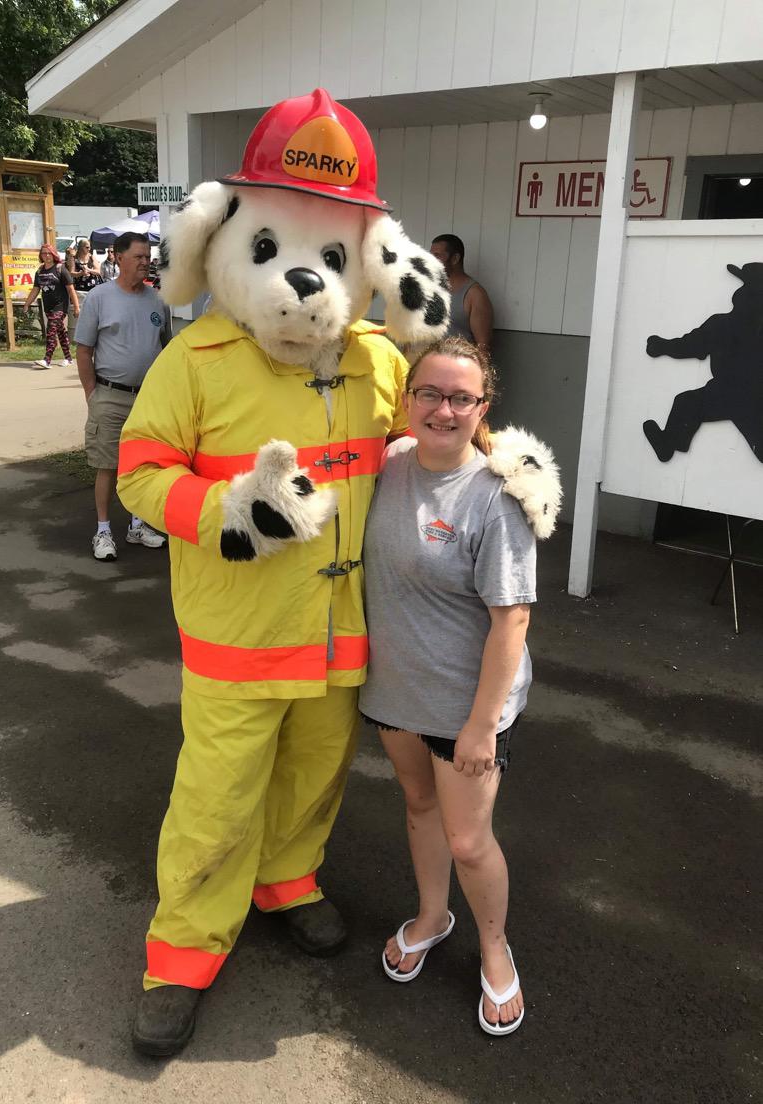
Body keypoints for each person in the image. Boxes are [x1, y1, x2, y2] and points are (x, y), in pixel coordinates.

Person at [359, 335, 535, 1036]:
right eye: (429, 392)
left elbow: (512, 619)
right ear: (407, 401)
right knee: (418, 803)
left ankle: (495, 946)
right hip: (394, 688)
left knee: (469, 839)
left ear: (481, 407)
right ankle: (434, 917)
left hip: (467, 704)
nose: (444, 408)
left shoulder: (497, 497)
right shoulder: (392, 463)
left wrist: (482, 724)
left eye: (461, 397)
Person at [75, 231, 169, 561]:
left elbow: (166, 346)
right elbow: (84, 351)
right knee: (107, 466)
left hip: (148, 399)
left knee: (143, 464)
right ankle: (103, 531)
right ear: (119, 257)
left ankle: (138, 525)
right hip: (110, 396)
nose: (146, 262)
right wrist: (92, 394)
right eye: (139, 257)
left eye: (148, 257)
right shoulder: (100, 297)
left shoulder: (157, 299)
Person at [429, 234, 494, 353]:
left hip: (457, 367)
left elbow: (483, 347)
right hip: (428, 366)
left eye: (437, 256)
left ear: (455, 259)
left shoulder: (474, 295)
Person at [21, 244, 79, 370]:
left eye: (49, 253)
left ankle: (47, 360)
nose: (46, 255)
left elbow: (71, 289)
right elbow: (35, 290)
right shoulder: (40, 271)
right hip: (48, 307)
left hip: (60, 307)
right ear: (40, 255)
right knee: (61, 332)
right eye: (44, 253)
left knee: (51, 330)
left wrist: (76, 307)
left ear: (53, 254)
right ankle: (68, 358)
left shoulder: (60, 269)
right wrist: (27, 304)